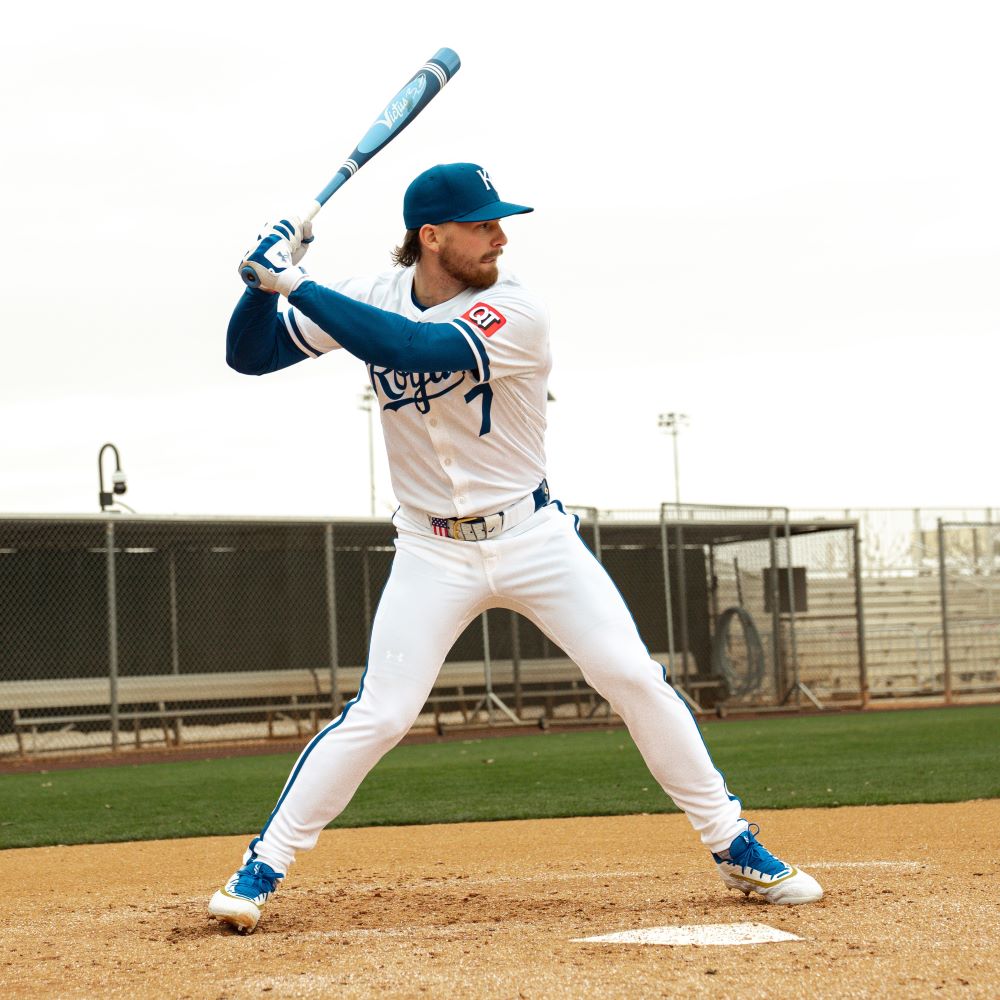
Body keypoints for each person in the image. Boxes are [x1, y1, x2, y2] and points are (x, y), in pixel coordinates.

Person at [208, 162, 823, 934]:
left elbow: (413, 349)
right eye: (481, 222)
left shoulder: (517, 310)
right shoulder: (366, 295)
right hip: (431, 550)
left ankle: (733, 844)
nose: (500, 234)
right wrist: (262, 277)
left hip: (533, 536)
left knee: (632, 675)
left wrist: (292, 280)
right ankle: (262, 867)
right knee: (382, 712)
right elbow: (249, 354)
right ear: (432, 238)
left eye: (499, 221)